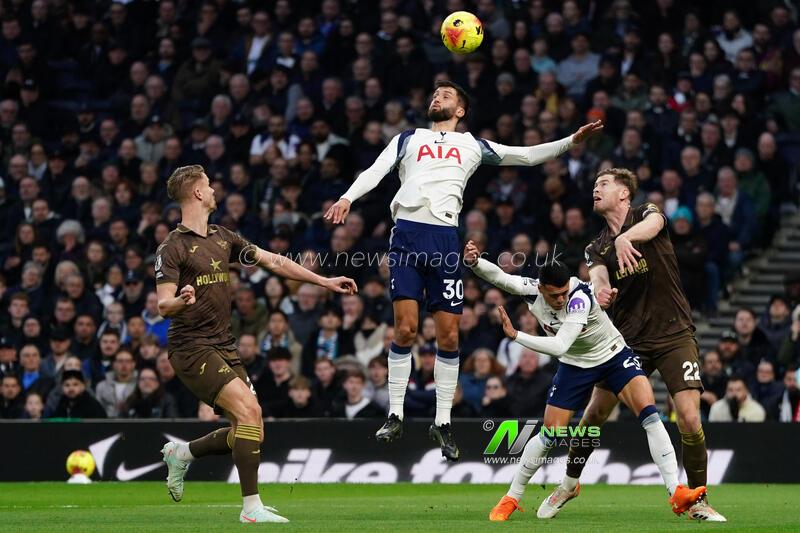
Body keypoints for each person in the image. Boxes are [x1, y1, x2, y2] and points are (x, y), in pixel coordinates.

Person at [324, 80, 603, 461]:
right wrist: (347, 197)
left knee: (450, 337)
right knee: (405, 329)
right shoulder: (407, 138)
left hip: (444, 240)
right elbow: (376, 170)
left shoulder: (472, 145)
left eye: (446, 95)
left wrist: (570, 141)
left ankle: (442, 423)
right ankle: (395, 413)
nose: (436, 95)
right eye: (434, 92)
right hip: (406, 235)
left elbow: (525, 156)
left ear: (460, 111)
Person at [156, 165, 356, 524]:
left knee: (250, 428)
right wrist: (181, 300)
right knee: (249, 413)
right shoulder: (172, 247)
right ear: (198, 194)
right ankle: (251, 509)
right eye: (209, 185)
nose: (215, 189)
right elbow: (162, 304)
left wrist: (324, 282)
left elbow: (273, 261)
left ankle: (183, 453)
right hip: (191, 347)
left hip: (223, 345)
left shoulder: (222, 237)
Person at [464, 246, 704, 521]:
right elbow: (500, 277)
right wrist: (474, 263)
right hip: (575, 365)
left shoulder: (579, 298)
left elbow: (559, 344)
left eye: (565, 292)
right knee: (550, 433)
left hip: (613, 355)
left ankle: (676, 491)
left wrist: (516, 335)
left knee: (648, 413)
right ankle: (512, 497)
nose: (561, 299)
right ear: (541, 289)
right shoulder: (531, 289)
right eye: (555, 295)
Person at [563, 167, 725, 521]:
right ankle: (569, 483)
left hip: (674, 334)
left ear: (624, 193)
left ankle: (698, 499)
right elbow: (599, 276)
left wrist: (626, 239)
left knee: (688, 417)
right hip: (626, 341)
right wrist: (599, 293)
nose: (595, 189)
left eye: (603, 184)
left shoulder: (647, 214)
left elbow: (654, 226)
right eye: (593, 184)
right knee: (593, 414)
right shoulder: (595, 246)